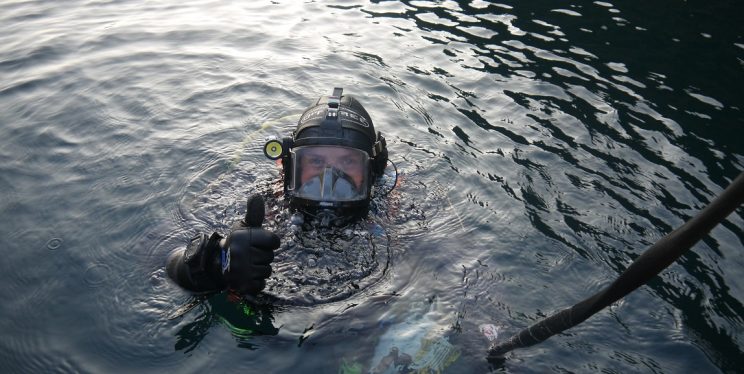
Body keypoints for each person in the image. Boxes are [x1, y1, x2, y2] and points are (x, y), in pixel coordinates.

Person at [166, 87, 389, 295]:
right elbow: (161, 252)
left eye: (348, 162)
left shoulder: (394, 210)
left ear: (372, 172)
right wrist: (214, 262)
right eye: (316, 161)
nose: (330, 177)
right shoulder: (254, 194)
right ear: (288, 167)